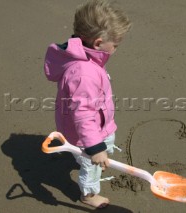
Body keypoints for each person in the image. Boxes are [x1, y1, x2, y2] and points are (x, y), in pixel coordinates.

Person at [44, 0, 131, 208]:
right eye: (115, 45)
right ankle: (89, 195)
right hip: (86, 132)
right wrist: (93, 147)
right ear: (98, 43)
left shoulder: (89, 60)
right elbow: (82, 113)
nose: (116, 49)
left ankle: (96, 152)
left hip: (100, 124)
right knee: (91, 164)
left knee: (103, 151)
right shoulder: (84, 73)